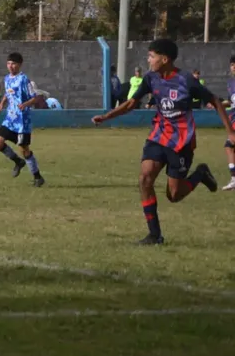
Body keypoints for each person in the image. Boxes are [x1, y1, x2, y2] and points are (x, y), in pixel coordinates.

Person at [92, 39, 235, 245]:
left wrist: (230, 133)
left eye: (152, 56)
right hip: (159, 136)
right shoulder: (150, 78)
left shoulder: (186, 80)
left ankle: (200, 174)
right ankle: (154, 235)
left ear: (165, 59)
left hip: (182, 142)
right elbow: (131, 103)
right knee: (145, 178)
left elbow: (215, 101)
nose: (148, 60)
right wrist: (106, 117)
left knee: (174, 195)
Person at [0, 52, 44, 187]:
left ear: (20, 65)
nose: (11, 66)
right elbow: (7, 93)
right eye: (8, 63)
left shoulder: (24, 79)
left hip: (22, 121)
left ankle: (37, 177)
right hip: (10, 119)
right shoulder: (6, 79)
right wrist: (1, 103)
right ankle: (18, 161)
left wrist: (25, 104)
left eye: (13, 64)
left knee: (24, 149)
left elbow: (35, 97)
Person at [221, 57, 235, 191]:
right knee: (229, 147)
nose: (234, 66)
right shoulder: (230, 83)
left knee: (229, 146)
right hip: (233, 119)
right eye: (232, 64)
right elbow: (231, 101)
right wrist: (219, 104)